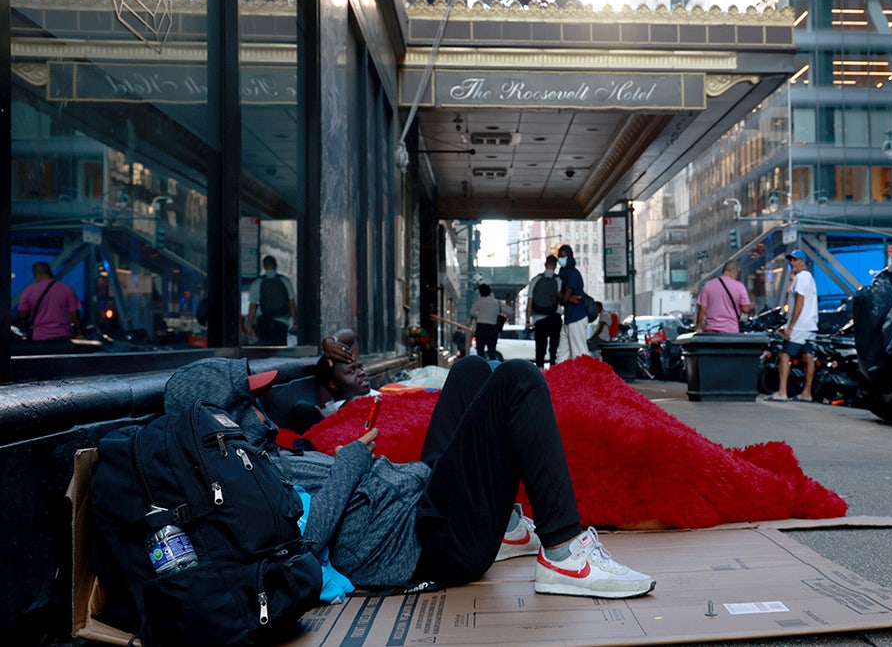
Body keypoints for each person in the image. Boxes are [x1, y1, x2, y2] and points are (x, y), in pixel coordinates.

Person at [164, 356, 656, 600]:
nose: (259, 408)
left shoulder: (262, 457)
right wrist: (352, 461)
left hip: (419, 500)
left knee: (469, 368)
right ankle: (566, 554)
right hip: (429, 548)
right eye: (247, 402)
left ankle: (503, 527)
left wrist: (339, 459)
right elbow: (303, 548)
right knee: (519, 380)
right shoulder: (237, 487)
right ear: (221, 418)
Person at [768, 250, 818, 402]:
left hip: (800, 325)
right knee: (808, 357)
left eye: (795, 260)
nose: (792, 263)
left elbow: (799, 302)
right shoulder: (809, 277)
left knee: (784, 355)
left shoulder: (801, 277)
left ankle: (782, 392)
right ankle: (806, 393)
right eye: (791, 260)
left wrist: (791, 326)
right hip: (810, 325)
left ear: (803, 261)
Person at [16, 261, 83, 342]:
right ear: (50, 273)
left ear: (36, 274)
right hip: (62, 337)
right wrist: (79, 333)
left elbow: (22, 315)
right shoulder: (67, 289)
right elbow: (74, 314)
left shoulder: (28, 291)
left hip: (39, 337)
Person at [246, 255, 296, 346]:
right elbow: (292, 302)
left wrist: (249, 325)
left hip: (264, 321)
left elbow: (252, 306)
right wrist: (295, 320)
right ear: (276, 265)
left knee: (265, 350)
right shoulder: (285, 281)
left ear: (264, 267)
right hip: (282, 322)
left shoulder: (258, 282)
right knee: (280, 350)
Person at [525, 255, 562, 369]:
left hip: (539, 318)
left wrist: (527, 320)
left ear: (545, 264)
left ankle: (540, 368)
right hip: (554, 317)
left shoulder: (535, 280)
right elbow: (560, 298)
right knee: (554, 346)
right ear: (555, 266)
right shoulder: (558, 280)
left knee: (540, 346)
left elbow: (530, 301)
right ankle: (553, 367)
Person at [695, 261, 751, 333]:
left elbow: (702, 309)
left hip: (711, 330)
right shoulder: (740, 287)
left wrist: (699, 327)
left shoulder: (708, 285)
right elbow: (745, 309)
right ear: (734, 272)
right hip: (731, 330)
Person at [556, 244, 588, 359]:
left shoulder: (573, 274)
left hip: (576, 318)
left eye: (563, 256)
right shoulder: (563, 274)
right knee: (562, 354)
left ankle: (584, 376)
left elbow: (562, 298)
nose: (560, 259)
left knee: (578, 353)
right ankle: (560, 375)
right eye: (559, 256)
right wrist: (568, 299)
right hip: (569, 318)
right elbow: (559, 295)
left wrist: (564, 298)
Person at [469, 284, 512, 360]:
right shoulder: (496, 303)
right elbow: (510, 311)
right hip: (492, 328)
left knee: (480, 350)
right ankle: (492, 366)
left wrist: (479, 315)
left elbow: (472, 312)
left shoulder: (479, 301)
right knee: (492, 351)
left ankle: (480, 366)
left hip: (481, 327)